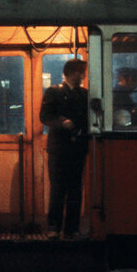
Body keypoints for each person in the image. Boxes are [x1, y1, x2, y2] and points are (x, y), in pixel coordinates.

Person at [39, 58, 89, 240]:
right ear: (71, 73)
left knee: (75, 190)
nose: (82, 75)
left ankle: (71, 228)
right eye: (80, 72)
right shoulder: (54, 92)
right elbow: (44, 116)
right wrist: (62, 122)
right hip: (59, 148)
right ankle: (54, 227)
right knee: (58, 189)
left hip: (77, 148)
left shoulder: (84, 94)